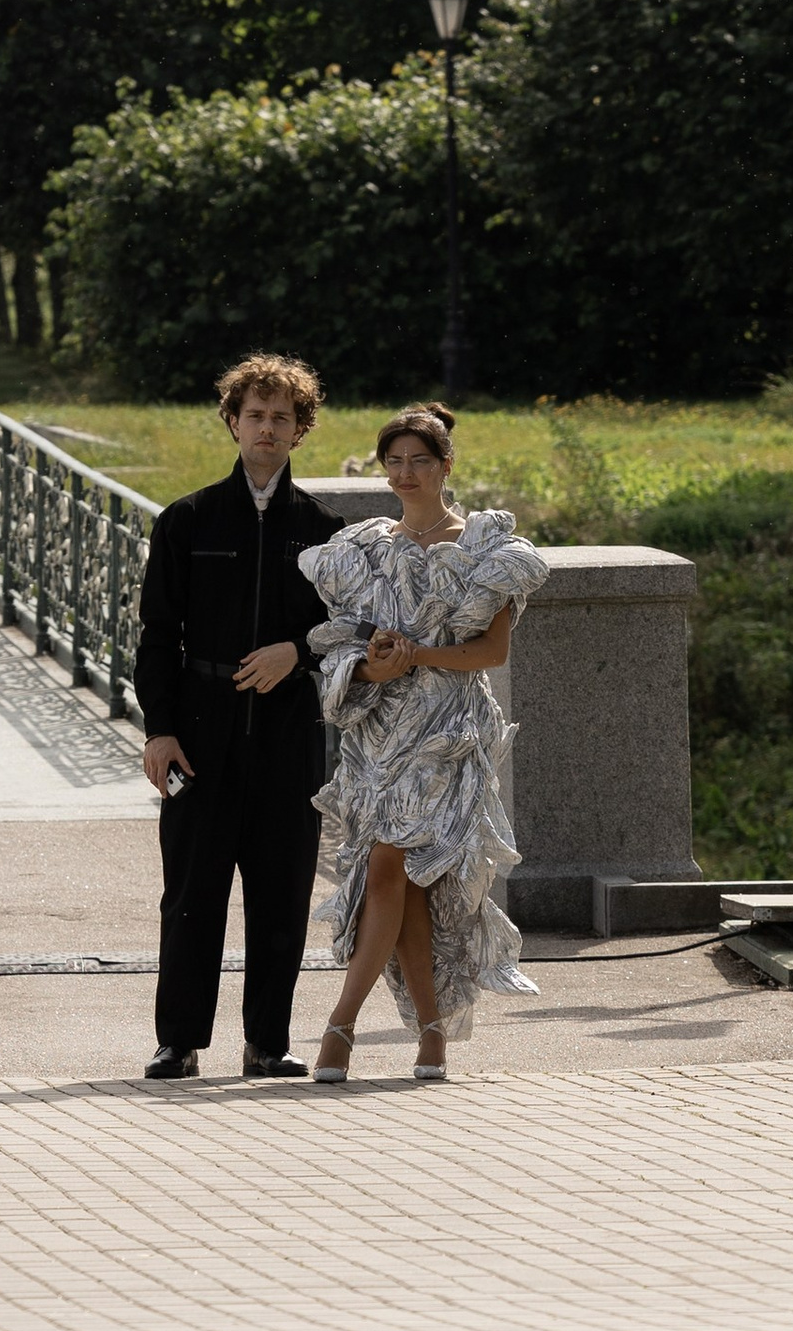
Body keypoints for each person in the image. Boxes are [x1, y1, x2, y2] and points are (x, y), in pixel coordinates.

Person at [296, 403, 549, 1086]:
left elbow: (490, 652)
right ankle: (432, 1032)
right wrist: (374, 664)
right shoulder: (365, 549)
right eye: (395, 462)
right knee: (400, 884)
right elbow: (344, 643)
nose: (405, 473)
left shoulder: (486, 551)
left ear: (445, 465)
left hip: (447, 734)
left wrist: (420, 654)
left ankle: (340, 1026)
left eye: (419, 461)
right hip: (378, 735)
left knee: (391, 869)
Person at [133, 351, 339, 1081]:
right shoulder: (187, 520)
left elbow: (346, 631)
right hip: (200, 730)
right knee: (192, 892)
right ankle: (179, 1040)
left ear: (300, 429)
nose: (267, 428)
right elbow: (158, 634)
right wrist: (159, 729)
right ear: (232, 421)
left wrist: (297, 652)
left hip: (288, 733)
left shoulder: (323, 529)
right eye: (255, 415)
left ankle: (268, 1041)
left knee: (282, 889)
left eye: (282, 417)